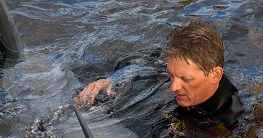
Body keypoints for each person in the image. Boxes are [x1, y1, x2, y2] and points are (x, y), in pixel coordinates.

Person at [75, 19, 244, 128]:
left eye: (185, 79)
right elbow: (145, 66)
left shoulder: (231, 118)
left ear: (215, 75)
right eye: (171, 75)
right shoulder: (181, 67)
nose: (173, 86)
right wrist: (110, 80)